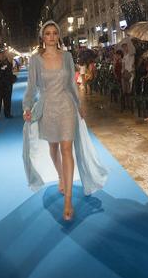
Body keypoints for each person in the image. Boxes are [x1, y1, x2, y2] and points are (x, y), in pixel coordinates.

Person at [22, 20, 108, 221]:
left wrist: (79, 104)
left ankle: (68, 201)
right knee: (54, 147)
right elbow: (31, 86)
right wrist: (27, 106)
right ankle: (61, 176)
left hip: (67, 106)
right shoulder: (35, 60)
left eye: (54, 33)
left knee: (66, 149)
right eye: (48, 33)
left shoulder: (67, 56)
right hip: (47, 107)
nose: (51, 36)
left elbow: (71, 84)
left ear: (58, 36)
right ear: (43, 38)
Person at [0, 42, 15, 121]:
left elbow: (10, 56)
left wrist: (6, 49)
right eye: (1, 53)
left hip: (7, 84)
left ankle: (7, 114)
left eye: (3, 53)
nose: (2, 54)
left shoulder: (9, 60)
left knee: (7, 99)